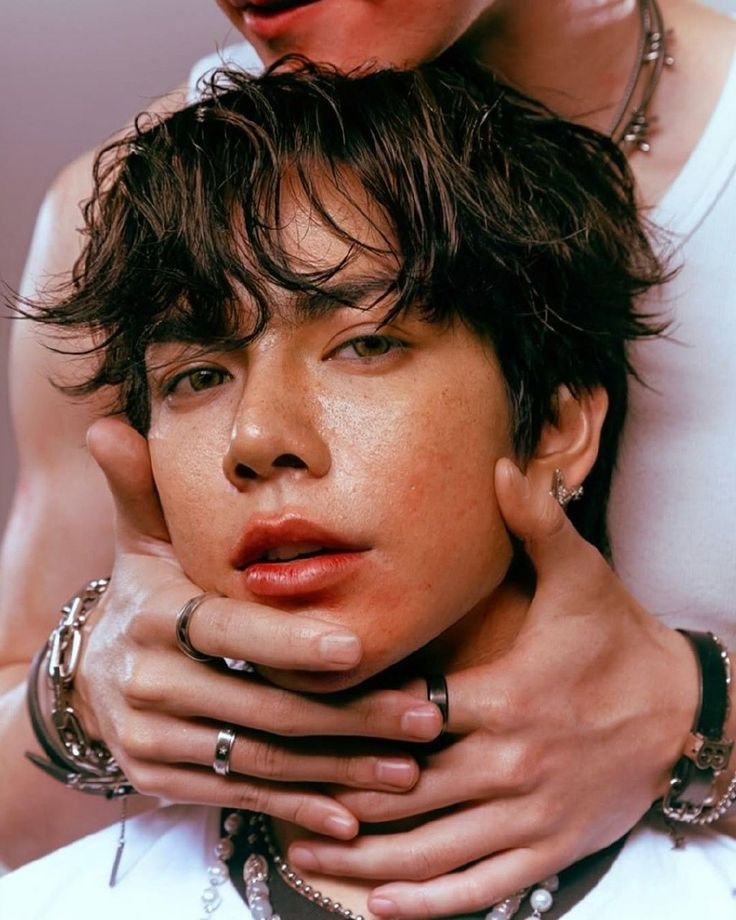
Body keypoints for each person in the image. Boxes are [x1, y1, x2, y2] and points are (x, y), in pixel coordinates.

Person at [1, 1, 735, 915]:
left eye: (368, 343)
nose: (256, 436)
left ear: (558, 422)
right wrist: (75, 694)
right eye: (200, 375)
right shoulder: (131, 210)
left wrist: (698, 715)